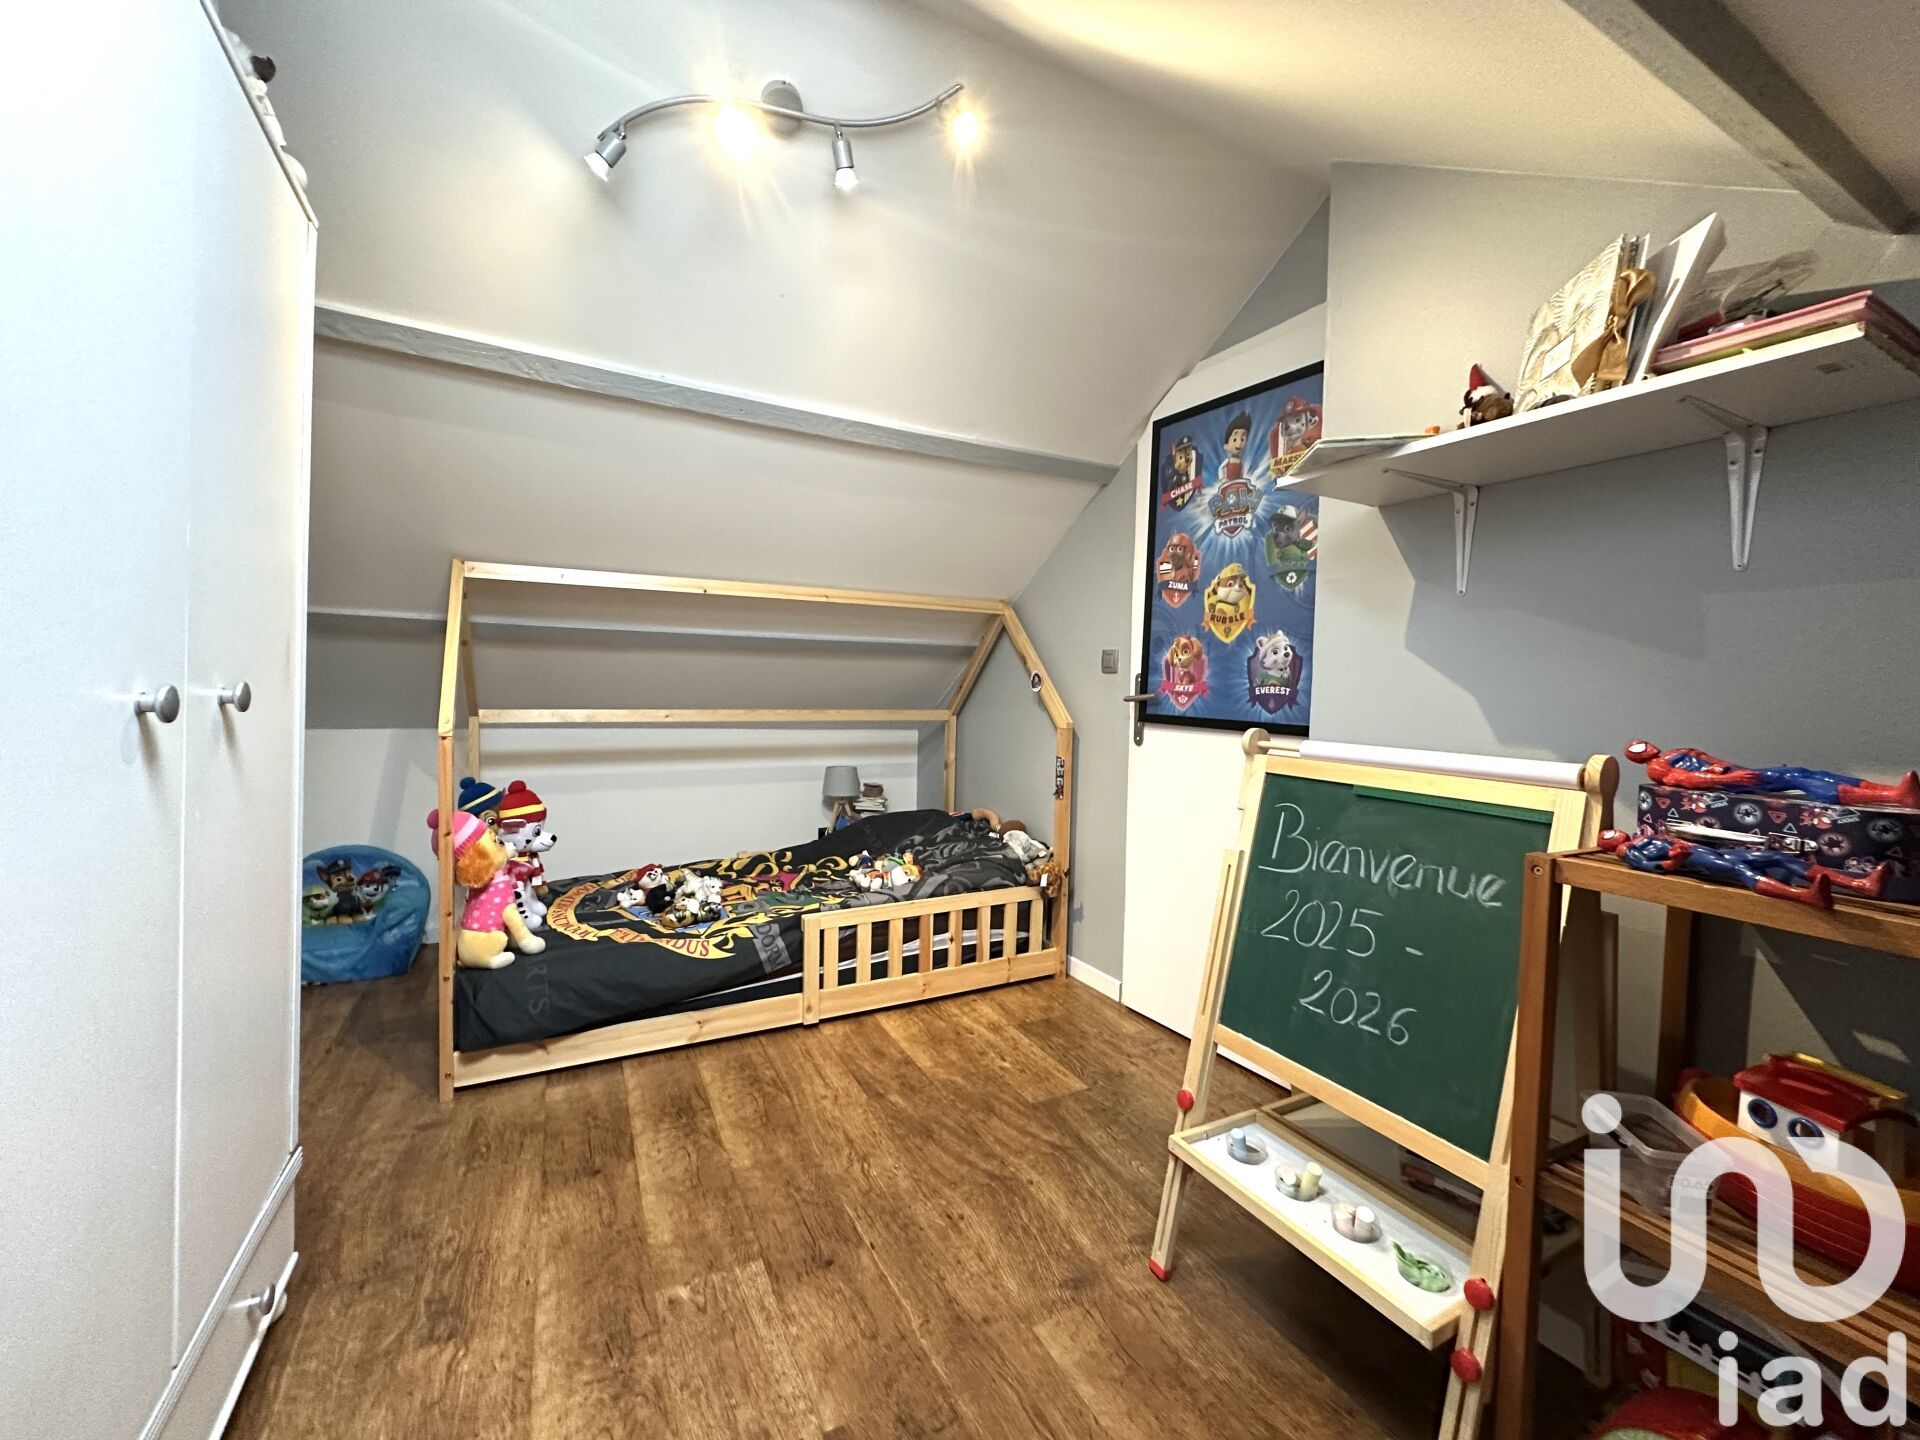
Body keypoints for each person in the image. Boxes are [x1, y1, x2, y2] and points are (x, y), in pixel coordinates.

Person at [1625, 740, 1920, 808]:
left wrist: (1732, 770)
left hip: (1735, 774)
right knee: (1796, 779)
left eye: (1642, 743)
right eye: (1638, 748)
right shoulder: (1658, 767)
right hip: (1731, 784)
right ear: (1637, 757)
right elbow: (1684, 780)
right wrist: (1727, 779)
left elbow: (1709, 760)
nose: (1645, 746)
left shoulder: (1675, 751)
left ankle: (1886, 790)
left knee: (1802, 771)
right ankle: (1893, 797)